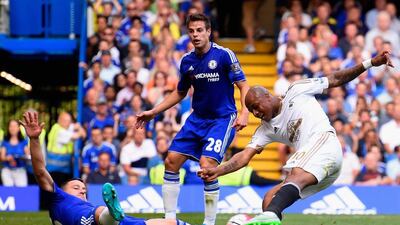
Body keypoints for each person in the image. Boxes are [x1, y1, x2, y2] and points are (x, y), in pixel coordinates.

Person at [198, 51, 392, 225]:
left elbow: (334, 79)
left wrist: (369, 63)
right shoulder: (265, 130)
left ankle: (271, 216)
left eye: (257, 106)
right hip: (320, 169)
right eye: (252, 111)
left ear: (267, 95)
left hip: (325, 143)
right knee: (269, 200)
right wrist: (219, 170)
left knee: (294, 174)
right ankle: (271, 216)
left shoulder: (297, 90)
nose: (256, 112)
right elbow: (243, 157)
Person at [136, 13, 249, 225]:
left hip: (222, 119)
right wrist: (153, 111)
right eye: (192, 31)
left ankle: (209, 222)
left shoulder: (225, 55)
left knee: (207, 166)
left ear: (208, 32)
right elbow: (180, 93)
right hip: (197, 119)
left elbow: (243, 85)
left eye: (199, 30)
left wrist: (244, 112)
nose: (195, 35)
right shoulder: (187, 61)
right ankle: (169, 219)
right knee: (171, 161)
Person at [20, 111, 192, 225]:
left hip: (104, 218)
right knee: (100, 213)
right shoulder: (58, 197)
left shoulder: (87, 205)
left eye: (83, 188)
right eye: (76, 187)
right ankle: (111, 214)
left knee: (163, 222)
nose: (82, 190)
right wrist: (34, 140)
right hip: (87, 218)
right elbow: (40, 171)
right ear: (63, 190)